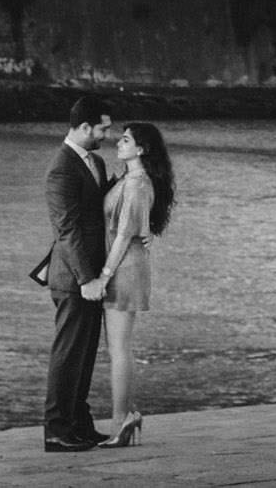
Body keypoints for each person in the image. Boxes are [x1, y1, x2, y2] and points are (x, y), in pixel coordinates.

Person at [93, 122, 177, 446]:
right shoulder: (129, 180)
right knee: (119, 349)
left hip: (123, 270)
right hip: (124, 266)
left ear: (140, 149)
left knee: (119, 350)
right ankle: (127, 415)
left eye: (125, 140)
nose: (119, 143)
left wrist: (104, 275)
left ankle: (121, 420)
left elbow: (126, 234)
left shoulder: (137, 184)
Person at [41, 95, 115, 452]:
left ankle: (79, 425)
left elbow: (98, 210)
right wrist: (87, 279)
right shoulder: (61, 168)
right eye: (103, 127)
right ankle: (56, 429)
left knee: (84, 355)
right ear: (85, 127)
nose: (107, 133)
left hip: (93, 276)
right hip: (74, 279)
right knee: (68, 353)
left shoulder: (96, 162)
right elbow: (66, 228)